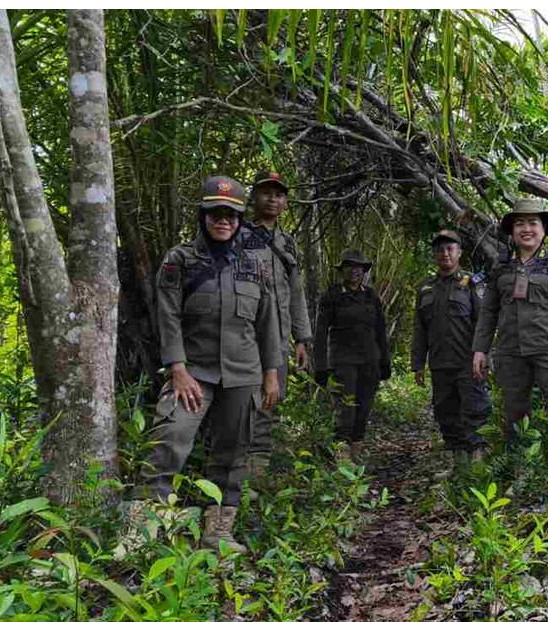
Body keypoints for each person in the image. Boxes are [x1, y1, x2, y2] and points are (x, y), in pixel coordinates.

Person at [118, 175, 281, 556]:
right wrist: (177, 368)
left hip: (242, 374)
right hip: (193, 373)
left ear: (240, 219)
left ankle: (218, 532)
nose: (222, 221)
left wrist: (271, 373)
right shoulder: (180, 260)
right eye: (215, 214)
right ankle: (143, 532)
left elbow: (268, 323)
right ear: (203, 216)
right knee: (169, 440)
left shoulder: (256, 264)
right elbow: (167, 317)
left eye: (230, 214)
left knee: (232, 452)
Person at [472, 198, 548, 509]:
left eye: (533, 223)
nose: (526, 229)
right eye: (520, 223)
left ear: (544, 229)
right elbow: (488, 311)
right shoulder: (501, 265)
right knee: (515, 415)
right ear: (512, 230)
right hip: (510, 352)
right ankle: (521, 473)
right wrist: (480, 349)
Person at [239, 170, 312, 497]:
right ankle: (233, 474)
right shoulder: (237, 235)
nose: (272, 199)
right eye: (266, 192)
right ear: (254, 197)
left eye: (279, 194)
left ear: (285, 202)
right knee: (240, 403)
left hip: (279, 338)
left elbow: (296, 294)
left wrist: (302, 339)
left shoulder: (287, 243)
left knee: (270, 402)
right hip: (242, 337)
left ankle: (257, 474)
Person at [411, 230, 492, 477]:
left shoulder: (472, 283)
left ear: (459, 252)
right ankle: (459, 466)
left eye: (450, 249)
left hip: (469, 363)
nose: (445, 254)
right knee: (446, 413)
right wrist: (417, 364)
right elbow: (419, 329)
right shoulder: (425, 288)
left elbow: (484, 322)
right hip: (439, 363)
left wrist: (485, 355)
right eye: (440, 250)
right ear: (434, 254)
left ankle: (478, 465)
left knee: (475, 411)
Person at [313, 249, 391, 463]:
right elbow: (320, 333)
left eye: (359, 267)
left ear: (364, 271)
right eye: (350, 266)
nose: (355, 271)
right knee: (345, 407)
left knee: (364, 406)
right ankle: (342, 453)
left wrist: (385, 361)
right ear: (342, 270)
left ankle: (357, 449)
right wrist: (320, 366)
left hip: (370, 361)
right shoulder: (332, 295)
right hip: (342, 361)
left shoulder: (371, 296)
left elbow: (380, 330)